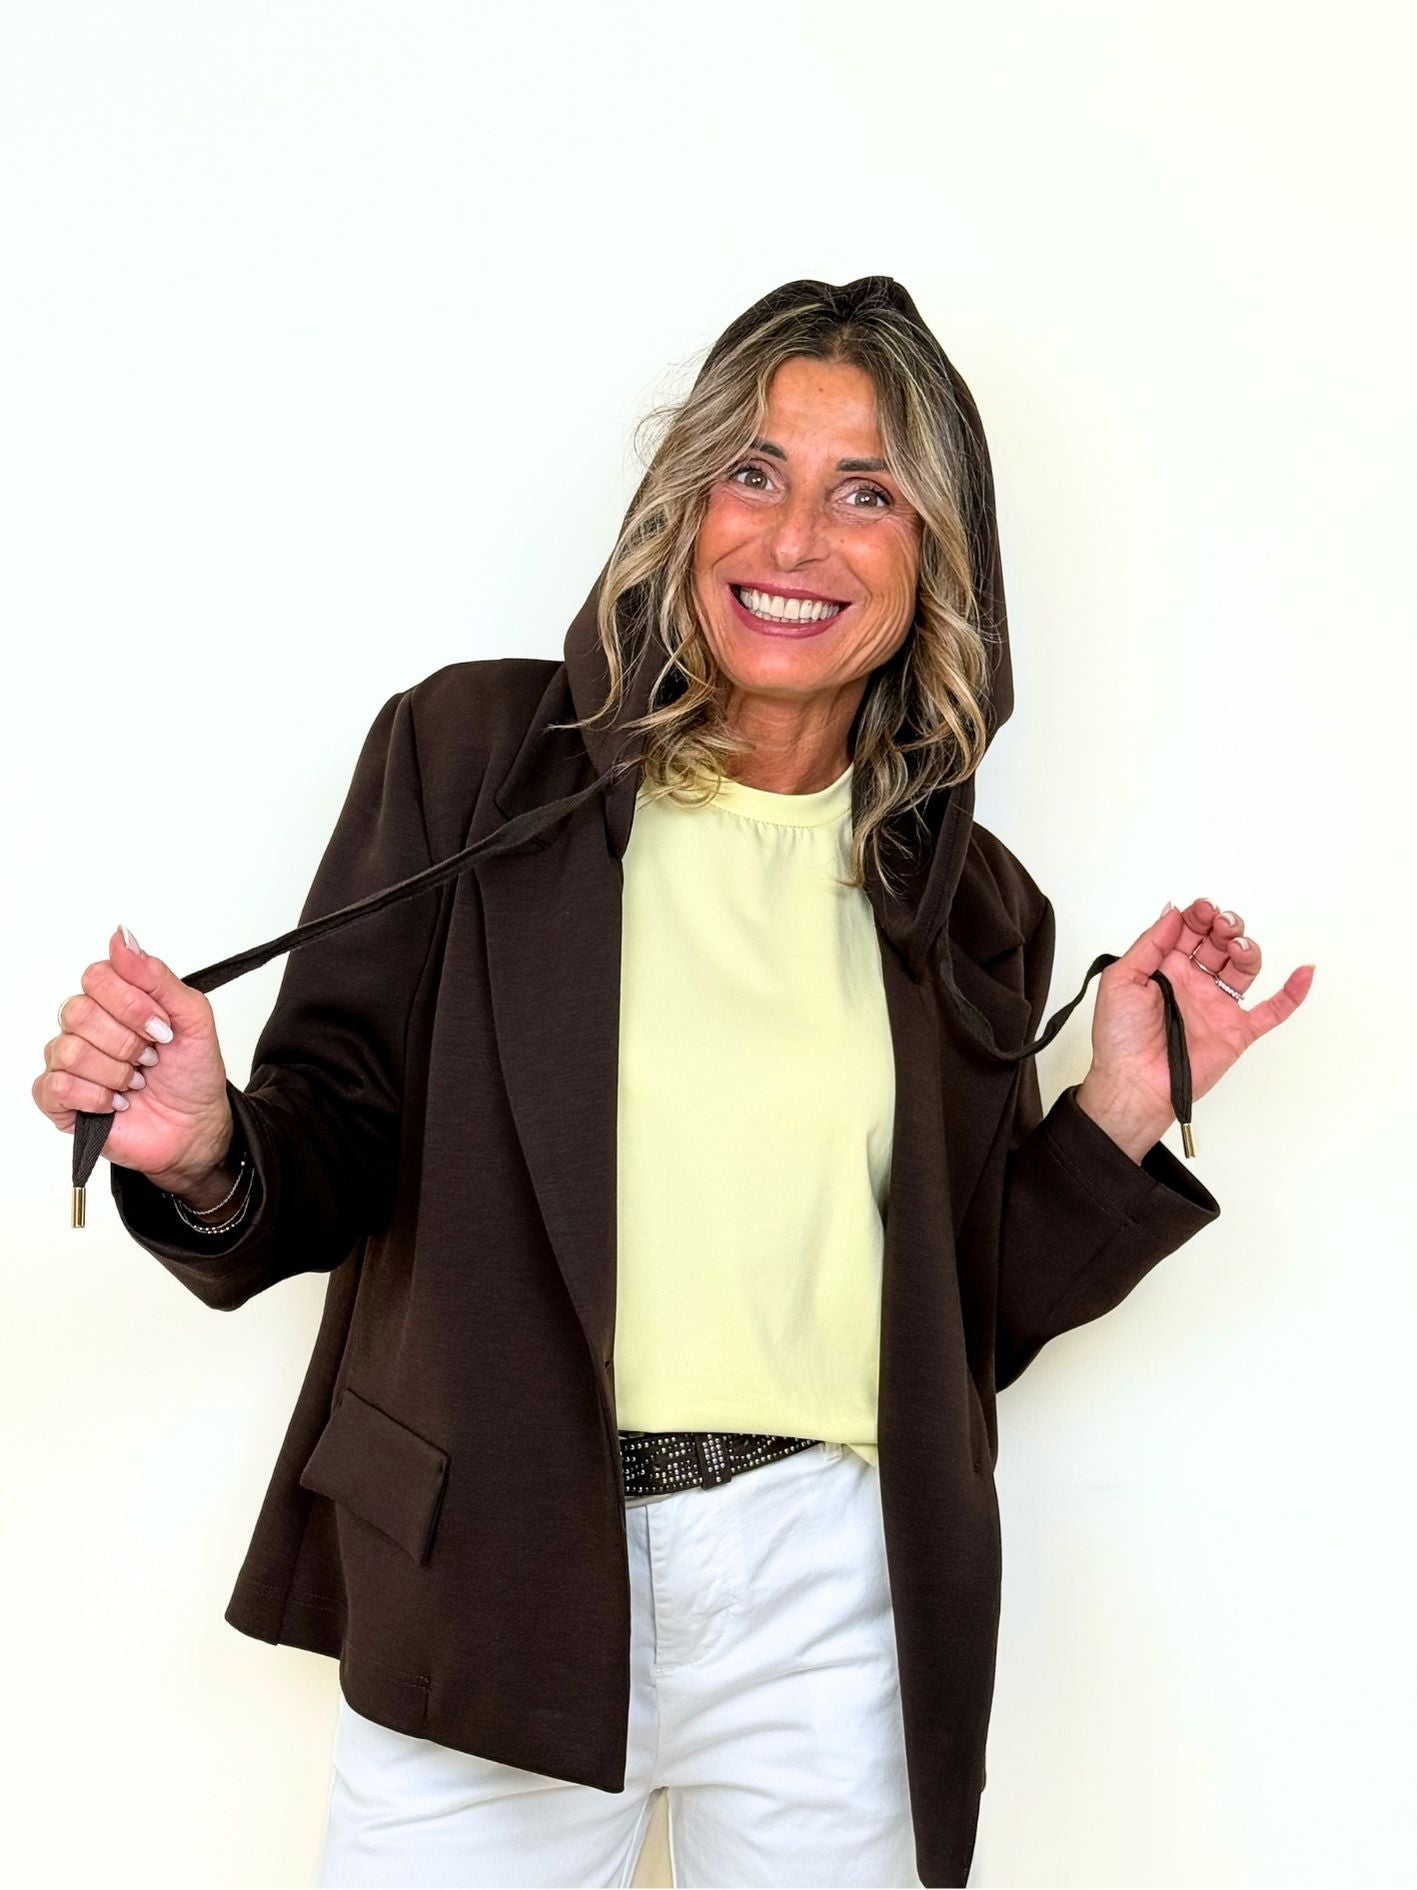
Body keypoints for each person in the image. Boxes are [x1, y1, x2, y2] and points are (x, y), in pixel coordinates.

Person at [34, 276, 1313, 1888]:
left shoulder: (972, 904)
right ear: (684, 501)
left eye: (866, 494)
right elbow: (333, 1140)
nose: (794, 539)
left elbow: (955, 1328)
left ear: (937, 561)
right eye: (752, 472)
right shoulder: (469, 758)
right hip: (491, 1552)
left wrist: (1120, 1102)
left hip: (826, 1596)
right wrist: (207, 1148)